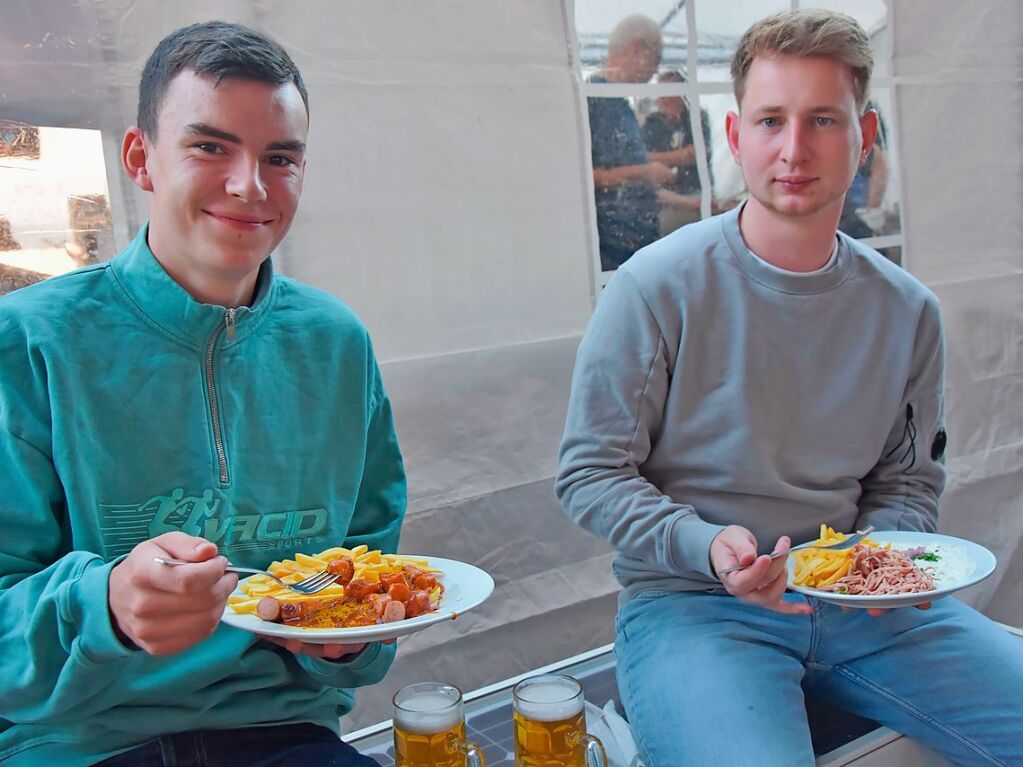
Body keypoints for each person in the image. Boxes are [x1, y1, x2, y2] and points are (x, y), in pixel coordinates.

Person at [557, 9, 1023, 767]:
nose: (794, 149)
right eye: (770, 120)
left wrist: (880, 558)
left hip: (868, 607)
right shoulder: (654, 286)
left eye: (822, 121)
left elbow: (907, 481)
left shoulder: (907, 311)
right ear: (736, 136)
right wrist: (708, 549)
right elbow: (588, 472)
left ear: (864, 135)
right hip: (698, 607)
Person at [0, 21, 406, 766]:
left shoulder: (335, 343)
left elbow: (371, 574)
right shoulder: (26, 342)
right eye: (210, 146)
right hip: (77, 741)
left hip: (283, 734)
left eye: (278, 157)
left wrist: (347, 639)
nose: (249, 185)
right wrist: (108, 604)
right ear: (139, 159)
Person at [587, 15, 675, 271]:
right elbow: (584, 177)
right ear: (636, 50)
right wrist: (646, 171)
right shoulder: (595, 99)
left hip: (634, 246)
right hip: (612, 251)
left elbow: (635, 183)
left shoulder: (620, 105)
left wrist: (694, 203)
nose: (656, 70)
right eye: (655, 60)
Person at [642, 70, 713, 234]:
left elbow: (696, 154)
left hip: (696, 189)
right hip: (666, 195)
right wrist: (678, 157)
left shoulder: (696, 117)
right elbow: (644, 159)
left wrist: (662, 159)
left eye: (672, 91)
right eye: (663, 92)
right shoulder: (653, 123)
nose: (667, 98)